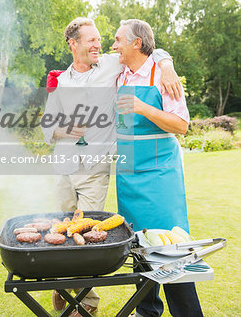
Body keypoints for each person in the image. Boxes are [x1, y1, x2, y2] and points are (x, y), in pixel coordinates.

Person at [42, 17, 181, 316]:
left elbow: (146, 51)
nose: (99, 44)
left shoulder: (110, 65)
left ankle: (86, 304)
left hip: (95, 169)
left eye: (99, 39)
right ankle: (61, 281)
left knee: (90, 235)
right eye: (91, 40)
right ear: (73, 44)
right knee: (63, 230)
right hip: (64, 167)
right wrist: (68, 129)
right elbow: (46, 128)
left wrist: (167, 62)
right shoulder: (59, 81)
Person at [112, 19, 203, 317]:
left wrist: (143, 106)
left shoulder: (162, 76)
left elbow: (181, 125)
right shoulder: (119, 74)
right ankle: (147, 312)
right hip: (128, 176)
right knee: (138, 247)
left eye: (118, 40)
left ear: (136, 43)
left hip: (160, 175)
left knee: (171, 250)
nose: (114, 46)